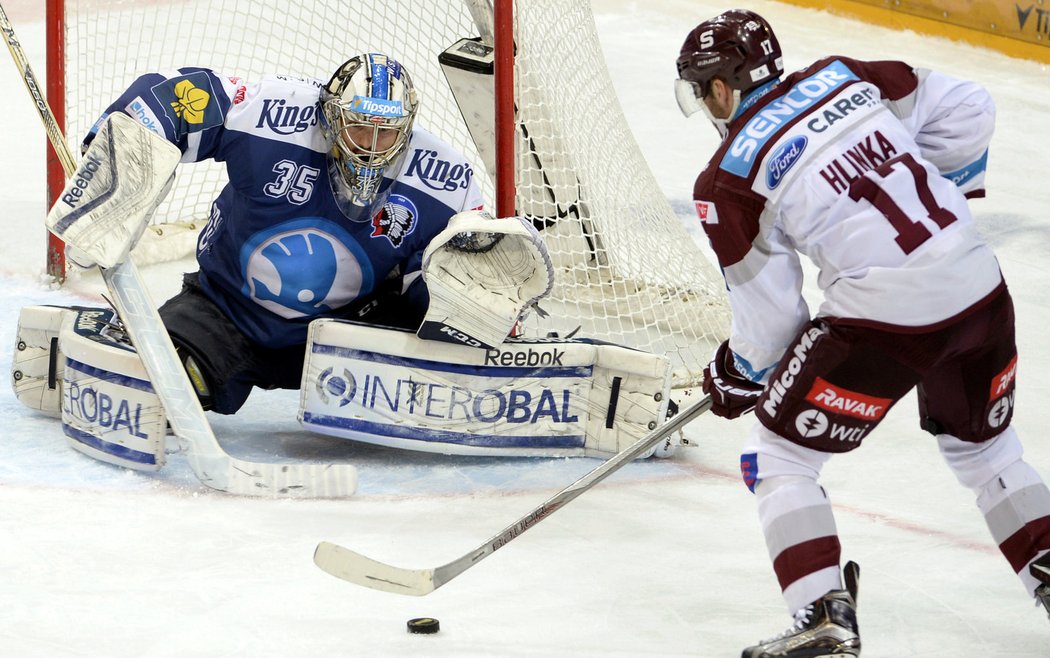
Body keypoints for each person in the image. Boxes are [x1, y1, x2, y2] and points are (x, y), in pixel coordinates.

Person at [674, 9, 1050, 657]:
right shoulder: (846, 77)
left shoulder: (728, 179)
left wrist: (736, 374)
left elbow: (771, 332)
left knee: (778, 455)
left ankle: (822, 616)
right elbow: (968, 107)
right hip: (976, 282)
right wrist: (935, 197)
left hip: (885, 318)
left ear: (720, 88)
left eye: (702, 89)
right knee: (988, 454)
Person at [81, 53, 485, 414]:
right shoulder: (277, 115)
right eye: (359, 128)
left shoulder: (447, 181)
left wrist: (470, 310)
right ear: (331, 115)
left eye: (388, 132)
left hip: (345, 331)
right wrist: (118, 147)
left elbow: (437, 289)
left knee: (424, 387)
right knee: (154, 388)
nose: (372, 147)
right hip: (226, 311)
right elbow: (181, 96)